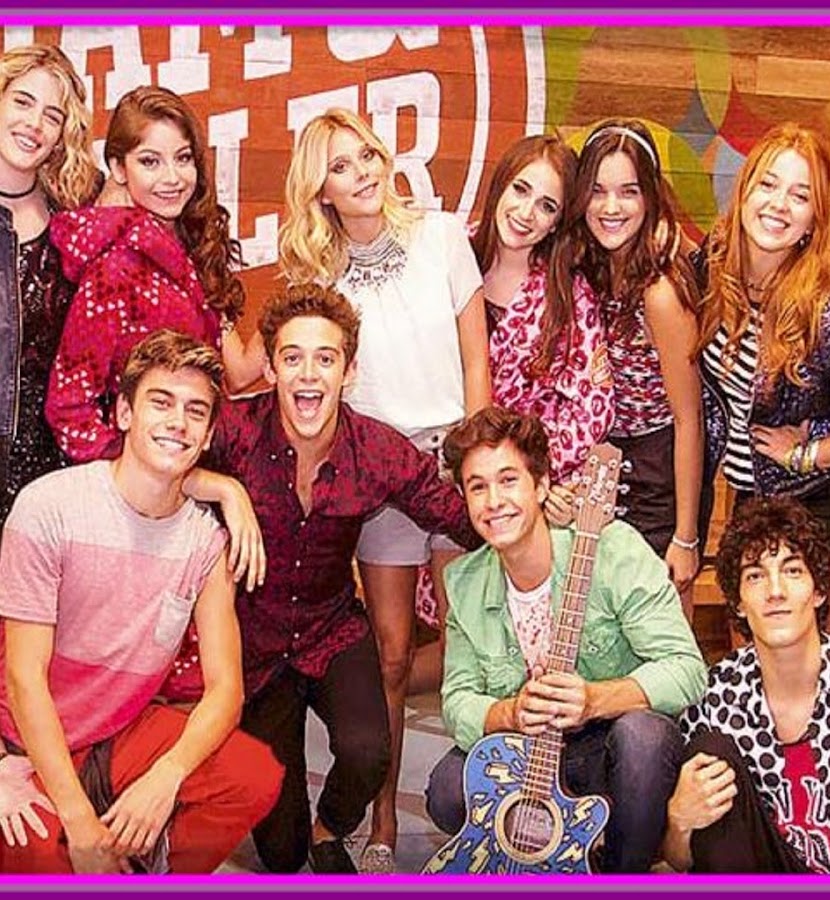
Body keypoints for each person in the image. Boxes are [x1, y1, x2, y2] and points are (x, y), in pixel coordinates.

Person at [191, 282, 481, 875]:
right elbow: (156, 462)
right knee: (280, 854)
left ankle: (331, 829)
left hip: (331, 629)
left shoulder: (375, 450)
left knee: (368, 752)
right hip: (256, 645)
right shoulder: (235, 431)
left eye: (325, 359)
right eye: (292, 357)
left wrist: (534, 516)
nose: (308, 374)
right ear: (270, 368)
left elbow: (456, 515)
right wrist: (222, 488)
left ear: (349, 372)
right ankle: (298, 831)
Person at [279, 107, 491, 872]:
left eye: (366, 154)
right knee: (394, 656)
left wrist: (474, 458)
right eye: (340, 166)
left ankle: (482, 810)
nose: (362, 172)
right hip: (378, 476)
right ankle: (382, 824)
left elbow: (476, 358)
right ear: (321, 190)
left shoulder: (441, 236)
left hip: (453, 465)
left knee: (476, 649)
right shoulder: (316, 273)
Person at [0, 329, 283, 873]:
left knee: (251, 775)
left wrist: (166, 776)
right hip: (28, 745)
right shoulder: (49, 509)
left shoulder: (206, 542)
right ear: (125, 414)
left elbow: (227, 690)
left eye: (195, 411)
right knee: (44, 857)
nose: (178, 422)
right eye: (161, 402)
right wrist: (78, 819)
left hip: (118, 733)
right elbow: (24, 678)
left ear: (207, 436)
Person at [425, 406, 706, 873]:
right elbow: (457, 701)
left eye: (508, 480)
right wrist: (509, 712)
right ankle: (548, 853)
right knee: (448, 788)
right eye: (478, 487)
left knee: (645, 738)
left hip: (608, 746)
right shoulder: (465, 583)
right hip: (530, 751)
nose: (494, 501)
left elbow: (687, 669)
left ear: (541, 486)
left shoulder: (613, 551)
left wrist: (594, 699)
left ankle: (624, 869)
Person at [696, 122, 830, 633]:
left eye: (800, 195)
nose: (779, 204)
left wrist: (807, 454)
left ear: (813, 219)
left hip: (822, 508)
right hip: (753, 500)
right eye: (768, 184)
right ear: (743, 192)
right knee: (751, 656)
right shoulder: (714, 270)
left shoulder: (821, 309)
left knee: (808, 666)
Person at [663, 496, 830, 874]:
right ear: (738, 602)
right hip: (765, 875)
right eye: (755, 576)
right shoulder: (715, 699)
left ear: (818, 591)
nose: (775, 591)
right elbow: (681, 861)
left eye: (792, 571)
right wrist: (679, 821)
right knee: (711, 751)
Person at [46, 84, 263, 465]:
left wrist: (304, 281)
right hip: (148, 480)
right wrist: (136, 473)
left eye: (183, 158)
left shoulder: (190, 247)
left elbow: (238, 374)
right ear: (118, 168)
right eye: (150, 162)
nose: (172, 177)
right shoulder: (114, 269)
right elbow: (69, 409)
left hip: (193, 461)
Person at [551, 118, 704, 613]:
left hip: (658, 472)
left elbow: (688, 420)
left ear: (650, 197)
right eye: (597, 191)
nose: (611, 207)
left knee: (657, 624)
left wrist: (685, 535)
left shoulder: (659, 292)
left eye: (628, 192)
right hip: (602, 462)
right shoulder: (590, 267)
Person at [472, 132, 614, 501]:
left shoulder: (568, 294)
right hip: (441, 470)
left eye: (546, 206)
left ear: (557, 223)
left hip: (526, 490)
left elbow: (593, 410)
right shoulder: (451, 255)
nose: (526, 213)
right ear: (500, 185)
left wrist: (530, 472)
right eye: (520, 190)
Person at [0, 43, 100, 534]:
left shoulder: (77, 223)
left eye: (52, 115)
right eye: (22, 101)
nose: (34, 124)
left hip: (48, 479)